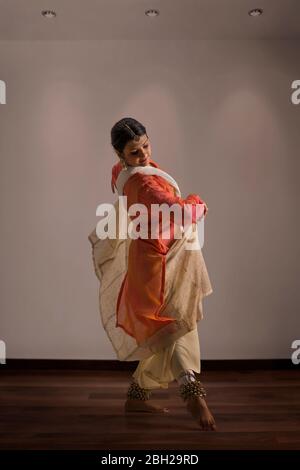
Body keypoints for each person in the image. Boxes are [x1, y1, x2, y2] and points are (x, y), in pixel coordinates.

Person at [89, 117, 216, 431]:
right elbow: (180, 212)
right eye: (135, 152)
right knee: (174, 328)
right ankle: (193, 395)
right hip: (155, 267)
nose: (144, 154)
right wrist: (198, 202)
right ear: (120, 155)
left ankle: (137, 397)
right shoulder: (142, 182)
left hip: (160, 256)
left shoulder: (123, 172)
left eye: (146, 145)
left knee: (170, 329)